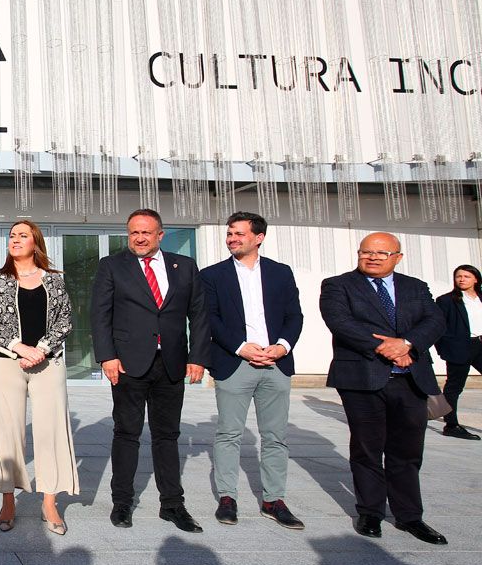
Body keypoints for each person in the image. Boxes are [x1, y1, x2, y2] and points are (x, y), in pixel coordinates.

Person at [320, 232, 448, 544]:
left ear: (397, 257)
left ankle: (409, 516)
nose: (373, 257)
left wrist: (407, 344)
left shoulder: (415, 287)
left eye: (382, 253)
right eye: (367, 252)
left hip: (411, 378)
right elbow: (340, 322)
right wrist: (387, 348)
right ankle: (371, 512)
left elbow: (434, 321)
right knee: (367, 448)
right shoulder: (338, 285)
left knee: (407, 451)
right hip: (361, 378)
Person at [91, 208, 209, 532]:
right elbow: (99, 315)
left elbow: (199, 315)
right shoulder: (112, 266)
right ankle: (122, 503)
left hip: (171, 363)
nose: (139, 238)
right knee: (126, 433)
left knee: (167, 435)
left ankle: (172, 505)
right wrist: (107, 357)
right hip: (129, 364)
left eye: (146, 232)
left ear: (160, 234)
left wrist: (198, 357)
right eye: (134, 233)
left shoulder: (184, 267)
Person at [199, 212, 305, 530]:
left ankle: (274, 500)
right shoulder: (212, 275)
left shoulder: (280, 273)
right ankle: (228, 498)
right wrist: (241, 347)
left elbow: (294, 315)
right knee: (229, 434)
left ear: (258, 237)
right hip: (235, 364)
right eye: (229, 233)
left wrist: (282, 346)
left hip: (276, 363)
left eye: (239, 234)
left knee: (275, 436)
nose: (232, 238)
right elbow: (209, 318)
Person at [0, 220, 78, 535]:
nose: (15, 240)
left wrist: (42, 349)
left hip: (49, 363)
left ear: (35, 242)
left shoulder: (54, 279)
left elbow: (65, 319)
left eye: (22, 235)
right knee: (8, 433)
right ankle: (8, 499)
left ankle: (49, 501)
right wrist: (20, 348)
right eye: (12, 236)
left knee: (51, 432)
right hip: (7, 362)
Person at [434, 264, 482, 440]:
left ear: (476, 279)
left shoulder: (480, 298)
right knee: (454, 387)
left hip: (480, 345)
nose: (461, 279)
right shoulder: (446, 300)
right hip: (460, 347)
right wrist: (445, 348)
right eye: (458, 276)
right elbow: (437, 326)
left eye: (466, 276)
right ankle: (451, 425)